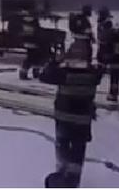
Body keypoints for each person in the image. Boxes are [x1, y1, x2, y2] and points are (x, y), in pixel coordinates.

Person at [40, 47, 103, 188]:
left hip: (64, 120)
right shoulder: (93, 75)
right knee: (78, 151)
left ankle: (61, 177)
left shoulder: (63, 74)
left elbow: (44, 76)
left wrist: (54, 62)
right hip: (82, 121)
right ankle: (73, 180)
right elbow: (101, 70)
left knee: (63, 148)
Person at [18, 11, 42, 80]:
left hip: (28, 41)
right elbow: (37, 31)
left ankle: (24, 73)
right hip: (33, 41)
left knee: (31, 57)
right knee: (34, 58)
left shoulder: (23, 21)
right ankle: (33, 73)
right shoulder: (33, 22)